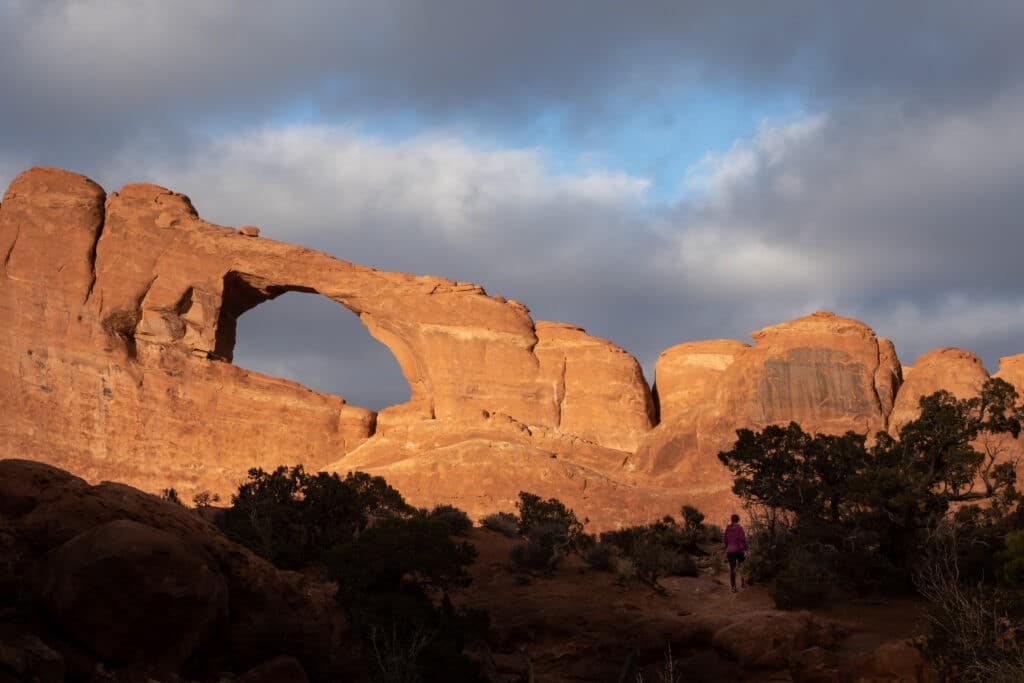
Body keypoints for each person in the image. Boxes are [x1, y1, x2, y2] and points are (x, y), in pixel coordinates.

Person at [724, 513, 746, 593]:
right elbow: (742, 539)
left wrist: (728, 547)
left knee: (732, 569)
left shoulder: (728, 528)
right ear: (738, 520)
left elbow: (725, 539)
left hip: (730, 550)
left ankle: (733, 587)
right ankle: (743, 583)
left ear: (732, 520)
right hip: (739, 550)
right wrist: (745, 550)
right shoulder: (740, 528)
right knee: (742, 567)